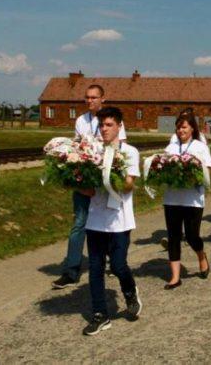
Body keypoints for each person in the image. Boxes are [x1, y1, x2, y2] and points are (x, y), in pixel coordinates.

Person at [53, 84, 127, 289]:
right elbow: (77, 146)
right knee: (79, 223)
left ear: (103, 99)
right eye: (87, 97)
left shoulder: (112, 119)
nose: (90, 101)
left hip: (104, 181)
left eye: (94, 97)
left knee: (108, 223)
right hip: (85, 180)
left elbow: (119, 149)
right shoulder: (81, 120)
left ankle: (114, 261)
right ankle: (71, 270)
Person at [81, 107, 141, 336]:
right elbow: (88, 191)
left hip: (120, 220)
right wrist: (74, 181)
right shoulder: (92, 152)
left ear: (119, 126)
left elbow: (128, 184)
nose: (104, 130)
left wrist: (110, 175)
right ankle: (100, 314)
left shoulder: (130, 152)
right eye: (101, 125)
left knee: (118, 265)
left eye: (108, 125)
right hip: (95, 220)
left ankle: (129, 292)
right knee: (95, 268)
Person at [161, 113, 211, 289]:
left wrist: (194, 176)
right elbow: (162, 168)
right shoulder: (170, 147)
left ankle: (201, 255)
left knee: (192, 236)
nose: (180, 130)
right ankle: (175, 276)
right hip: (172, 198)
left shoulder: (200, 146)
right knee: (173, 236)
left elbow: (208, 171)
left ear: (192, 128)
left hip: (193, 199)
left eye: (184, 127)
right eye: (178, 127)